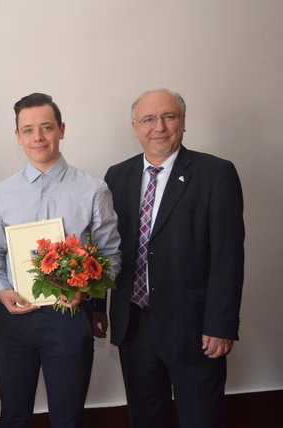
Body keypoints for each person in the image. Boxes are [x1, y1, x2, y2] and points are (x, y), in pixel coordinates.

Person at [104, 89, 244, 428]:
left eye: (169, 117)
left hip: (195, 328)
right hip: (134, 325)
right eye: (149, 119)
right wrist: (97, 307)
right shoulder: (116, 177)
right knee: (146, 419)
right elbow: (105, 247)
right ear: (135, 127)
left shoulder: (215, 173)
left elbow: (228, 257)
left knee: (200, 418)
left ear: (183, 123)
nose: (159, 127)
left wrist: (220, 324)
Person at [0, 93, 121, 427]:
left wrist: (85, 291)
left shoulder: (92, 189)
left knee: (67, 417)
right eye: (28, 130)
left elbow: (111, 256)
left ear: (61, 129)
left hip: (69, 318)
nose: (38, 137)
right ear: (18, 136)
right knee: (13, 415)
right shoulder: (2, 192)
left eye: (46, 127)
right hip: (14, 319)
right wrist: (2, 291)